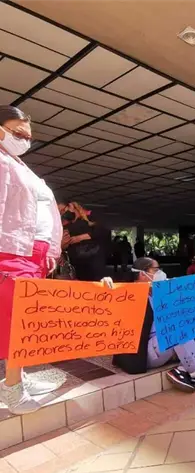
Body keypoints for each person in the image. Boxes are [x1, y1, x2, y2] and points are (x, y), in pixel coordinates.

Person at [0, 105, 63, 414]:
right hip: (11, 251)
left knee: (26, 318)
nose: (24, 140)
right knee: (18, 321)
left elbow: (46, 213)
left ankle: (17, 377)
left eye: (28, 136)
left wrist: (50, 250)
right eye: (17, 133)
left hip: (33, 254)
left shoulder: (22, 167)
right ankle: (12, 388)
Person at [110, 257, 195, 392]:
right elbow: (112, 301)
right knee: (176, 328)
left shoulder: (156, 293)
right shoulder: (129, 294)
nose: (160, 274)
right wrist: (106, 286)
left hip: (163, 345)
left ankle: (181, 371)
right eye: (156, 270)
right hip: (144, 352)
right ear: (142, 274)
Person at [61, 202, 106, 281]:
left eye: (64, 210)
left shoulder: (90, 216)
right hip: (75, 260)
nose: (63, 213)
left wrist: (79, 238)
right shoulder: (67, 223)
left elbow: (100, 231)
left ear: (71, 206)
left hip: (92, 257)